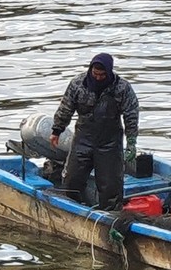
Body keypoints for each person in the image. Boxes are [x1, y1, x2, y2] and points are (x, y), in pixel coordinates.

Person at [50, 53, 139, 211]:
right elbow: (66, 108)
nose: (98, 78)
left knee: (111, 185)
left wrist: (131, 141)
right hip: (83, 138)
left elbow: (131, 113)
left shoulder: (122, 88)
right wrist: (57, 130)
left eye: (102, 75)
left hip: (109, 142)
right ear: (90, 70)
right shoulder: (78, 84)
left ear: (109, 72)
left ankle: (110, 215)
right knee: (72, 179)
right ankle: (72, 210)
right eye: (95, 74)